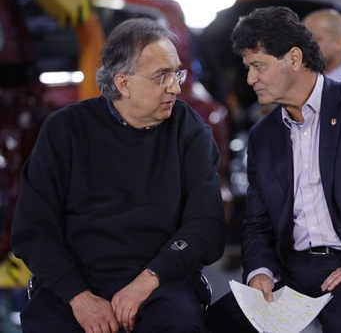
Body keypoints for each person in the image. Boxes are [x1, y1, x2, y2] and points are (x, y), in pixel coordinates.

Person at [206, 6, 341, 333]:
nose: (250, 79)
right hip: (291, 269)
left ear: (294, 59)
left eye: (258, 66)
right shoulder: (263, 135)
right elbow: (258, 220)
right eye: (248, 68)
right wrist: (259, 272)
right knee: (220, 320)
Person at [11, 18, 228, 333]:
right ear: (123, 83)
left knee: (180, 322)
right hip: (74, 283)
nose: (176, 87)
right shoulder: (64, 130)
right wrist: (78, 296)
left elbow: (206, 225)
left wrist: (147, 281)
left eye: (176, 72)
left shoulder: (190, 130)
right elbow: (32, 228)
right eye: (162, 76)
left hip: (160, 281)